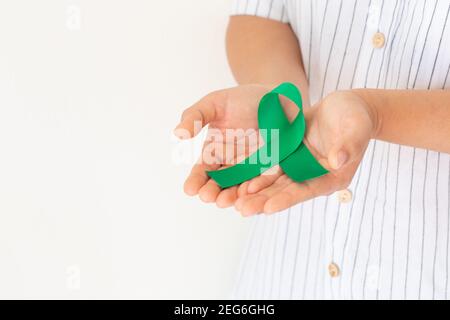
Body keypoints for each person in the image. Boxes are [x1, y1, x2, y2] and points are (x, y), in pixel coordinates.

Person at [174, 0, 450, 299]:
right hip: (289, 265)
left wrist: (377, 113)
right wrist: (281, 108)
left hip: (423, 267)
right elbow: (259, 14)